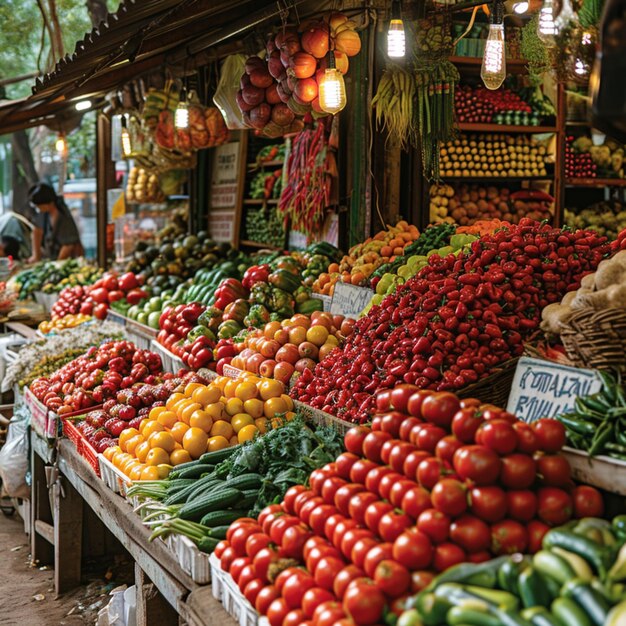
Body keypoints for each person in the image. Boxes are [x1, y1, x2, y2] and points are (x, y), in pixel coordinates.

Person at [28, 183, 84, 261]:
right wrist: (36, 256)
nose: (38, 209)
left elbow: (68, 246)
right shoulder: (44, 213)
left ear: (48, 203)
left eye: (39, 206)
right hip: (51, 258)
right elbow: (37, 231)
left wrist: (56, 265)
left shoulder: (63, 216)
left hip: (67, 259)